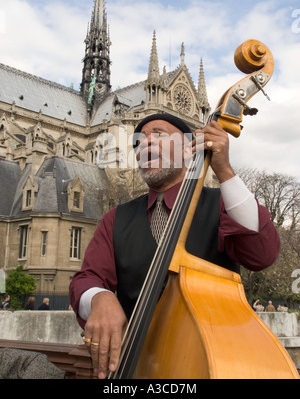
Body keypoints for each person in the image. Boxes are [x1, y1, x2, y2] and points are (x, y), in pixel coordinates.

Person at [69, 113, 280, 379]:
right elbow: (87, 278)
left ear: (188, 148)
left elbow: (262, 254)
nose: (145, 144)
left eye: (157, 135)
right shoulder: (115, 219)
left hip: (206, 362)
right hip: (136, 367)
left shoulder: (223, 203)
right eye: (138, 142)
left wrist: (224, 171)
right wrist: (99, 298)